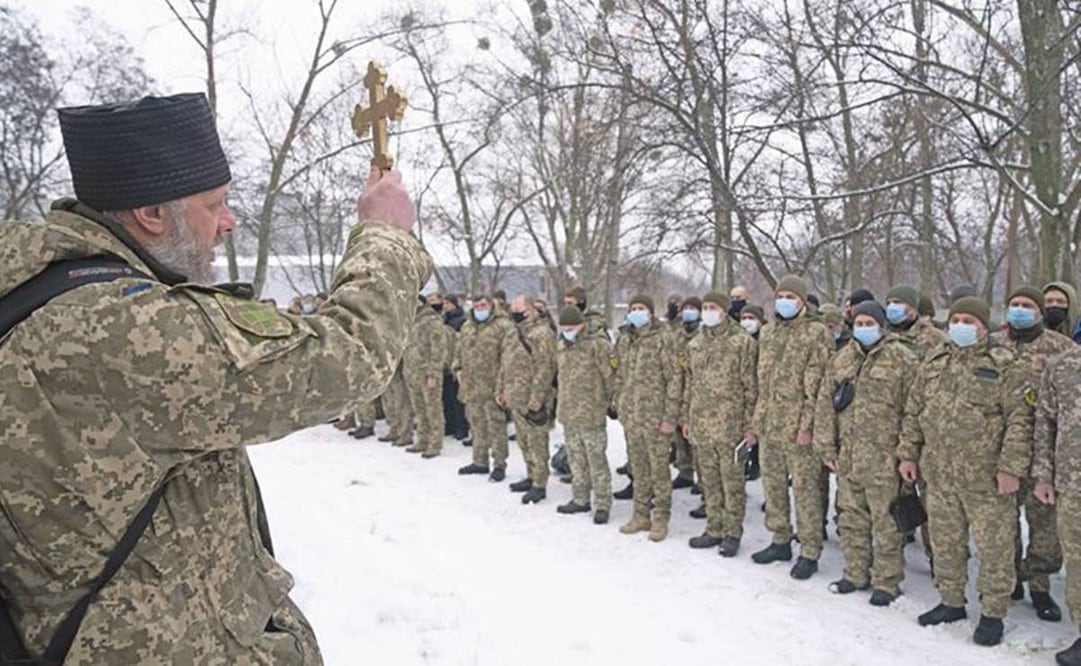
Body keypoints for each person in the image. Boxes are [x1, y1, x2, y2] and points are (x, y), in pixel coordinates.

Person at [0, 92, 428, 663]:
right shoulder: (122, 325)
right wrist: (385, 235)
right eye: (214, 204)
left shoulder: (33, 291)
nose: (229, 223)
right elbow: (348, 356)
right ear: (151, 215)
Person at [898, 296, 1031, 647]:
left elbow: (1020, 421)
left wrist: (1010, 468)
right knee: (945, 542)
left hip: (986, 477)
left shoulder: (1005, 364)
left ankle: (993, 613)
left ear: (983, 327)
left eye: (968, 320)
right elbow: (914, 411)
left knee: (995, 547)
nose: (959, 326)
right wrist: (908, 455)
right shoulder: (935, 360)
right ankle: (952, 601)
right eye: (955, 319)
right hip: (938, 473)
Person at [815, 302, 916, 606]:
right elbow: (825, 404)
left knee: (886, 523)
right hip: (849, 456)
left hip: (886, 459)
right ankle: (855, 572)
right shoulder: (842, 358)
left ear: (882, 325)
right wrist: (826, 446)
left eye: (870, 322)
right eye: (859, 322)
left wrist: (908, 452)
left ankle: (887, 581)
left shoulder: (903, 359)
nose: (863, 327)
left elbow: (914, 410)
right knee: (851, 518)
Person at [990, 286, 1073, 620]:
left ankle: (1039, 584)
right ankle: (1010, 578)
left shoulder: (1061, 348)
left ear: (1039, 312)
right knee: (1002, 520)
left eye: (1027, 305)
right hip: (1001, 448)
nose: (1019, 309)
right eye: (1014, 304)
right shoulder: (993, 344)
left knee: (1045, 525)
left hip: (1043, 451)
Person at [750, 275, 832, 580]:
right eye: (779, 295)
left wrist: (807, 425)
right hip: (770, 423)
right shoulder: (768, 333)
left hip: (798, 427)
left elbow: (818, 386)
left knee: (805, 490)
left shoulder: (816, 333)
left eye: (790, 296)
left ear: (801, 301)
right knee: (772, 486)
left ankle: (809, 550)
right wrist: (757, 422)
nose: (783, 301)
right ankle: (780, 539)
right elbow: (762, 383)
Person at [680, 292, 757, 557]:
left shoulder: (741, 342)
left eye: (714, 307)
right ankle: (714, 528)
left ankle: (732, 533)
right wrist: (686, 418)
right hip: (702, 424)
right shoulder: (696, 343)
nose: (709, 311)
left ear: (725, 311)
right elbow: (689, 384)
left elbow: (751, 387)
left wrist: (750, 426)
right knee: (709, 482)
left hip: (731, 427)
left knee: (732, 483)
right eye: (706, 307)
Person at [615, 295, 680, 542]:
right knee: (638, 469)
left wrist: (669, 417)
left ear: (651, 313)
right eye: (633, 309)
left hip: (656, 418)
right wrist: (620, 403)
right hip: (632, 417)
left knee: (659, 471)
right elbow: (619, 374)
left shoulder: (663, 339)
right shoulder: (625, 339)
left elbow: (674, 380)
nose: (636, 312)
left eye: (641, 308)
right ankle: (641, 514)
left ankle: (660, 517)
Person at [1033, 337, 1081, 665]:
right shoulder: (1062, 365)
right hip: (1072, 484)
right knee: (1078, 563)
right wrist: (1043, 475)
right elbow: (1044, 423)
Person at [555, 306, 615, 524]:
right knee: (575, 459)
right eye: (564, 328)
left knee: (596, 460)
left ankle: (602, 504)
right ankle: (580, 499)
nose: (567, 331)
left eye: (571, 327)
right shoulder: (562, 345)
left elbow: (611, 377)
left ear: (581, 325)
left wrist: (610, 403)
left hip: (591, 412)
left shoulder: (598, 345)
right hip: (569, 412)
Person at [498, 295, 558, 504]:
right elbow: (505, 363)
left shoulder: (542, 333)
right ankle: (530, 474)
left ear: (530, 309)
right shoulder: (514, 332)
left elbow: (546, 368)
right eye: (512, 308)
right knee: (523, 441)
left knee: (537, 441)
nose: (514, 312)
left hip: (533, 397)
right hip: (515, 395)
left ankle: (540, 483)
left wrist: (537, 399)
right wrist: (501, 389)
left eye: (518, 308)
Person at [454, 295, 514, 481]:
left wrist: (503, 386)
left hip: (492, 386)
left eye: (483, 305)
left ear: (491, 305)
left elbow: (508, 357)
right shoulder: (467, 326)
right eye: (477, 305)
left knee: (496, 427)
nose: (480, 308)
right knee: (477, 425)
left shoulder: (503, 326)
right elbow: (459, 350)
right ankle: (479, 461)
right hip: (471, 386)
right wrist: (457, 367)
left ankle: (499, 464)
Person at [402, 297, 448, 458]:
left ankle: (435, 443)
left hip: (427, 372)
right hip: (412, 371)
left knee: (432, 409)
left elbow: (439, 348)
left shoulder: (432, 320)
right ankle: (422, 439)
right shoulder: (409, 320)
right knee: (419, 409)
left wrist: (433, 373)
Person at [670, 296, 703, 490]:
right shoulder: (678, 333)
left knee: (695, 439)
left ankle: (703, 479)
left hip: (696, 391)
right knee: (679, 437)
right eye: (686, 308)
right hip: (678, 388)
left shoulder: (702, 334)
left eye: (693, 308)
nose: (688, 311)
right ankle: (685, 472)